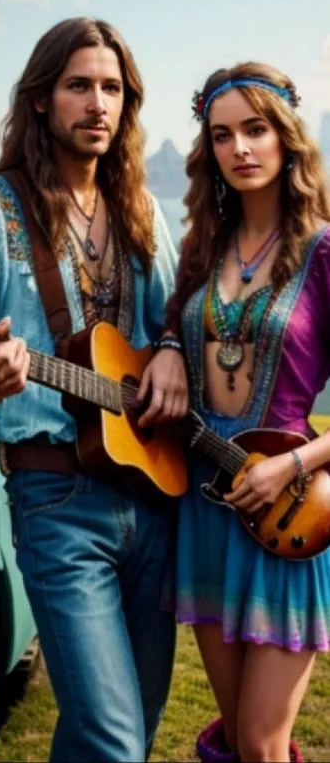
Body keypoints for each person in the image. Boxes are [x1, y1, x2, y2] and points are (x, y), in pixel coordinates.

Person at [0, 17, 189, 762]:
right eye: (79, 85)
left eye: (111, 88)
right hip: (56, 501)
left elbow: (173, 316)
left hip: (149, 494)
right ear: (42, 98)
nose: (97, 103)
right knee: (111, 742)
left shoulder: (139, 208)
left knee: (123, 733)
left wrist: (169, 347)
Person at [164, 62, 330, 763]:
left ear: (286, 138)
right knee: (236, 739)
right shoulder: (201, 250)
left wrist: (292, 462)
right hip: (206, 505)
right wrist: (172, 344)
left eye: (255, 129)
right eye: (223, 134)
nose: (240, 148)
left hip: (287, 508)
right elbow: (172, 329)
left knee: (262, 743)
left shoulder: (324, 251)